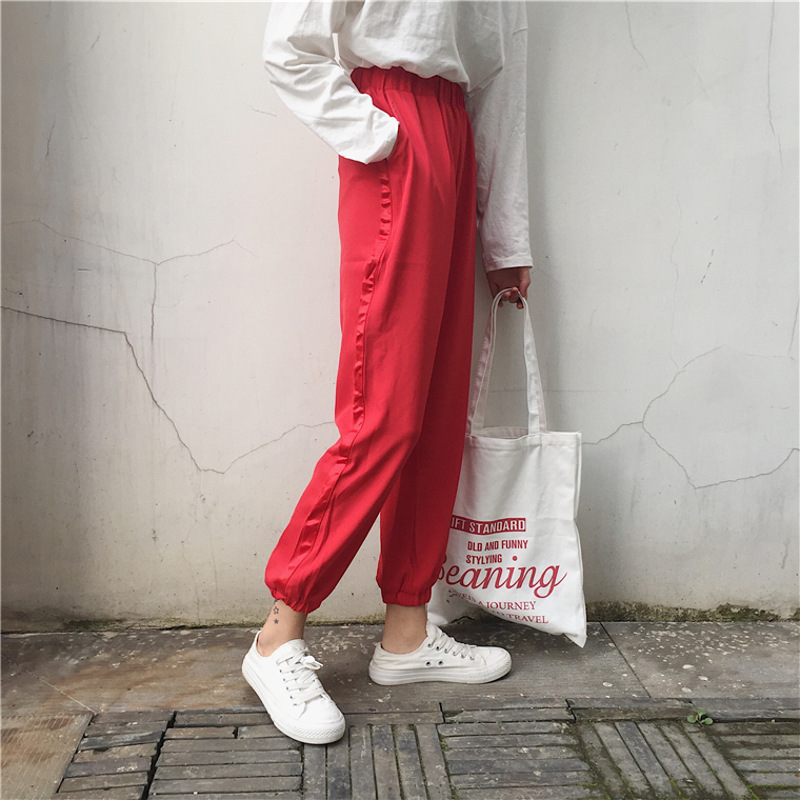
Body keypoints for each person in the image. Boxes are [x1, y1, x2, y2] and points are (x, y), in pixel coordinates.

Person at [243, 1, 534, 745]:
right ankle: (278, 633)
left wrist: (506, 234)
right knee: (384, 413)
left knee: (436, 412)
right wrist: (380, 135)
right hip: (393, 129)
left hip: (456, 131)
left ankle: (407, 632)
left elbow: (501, 76)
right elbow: (290, 47)